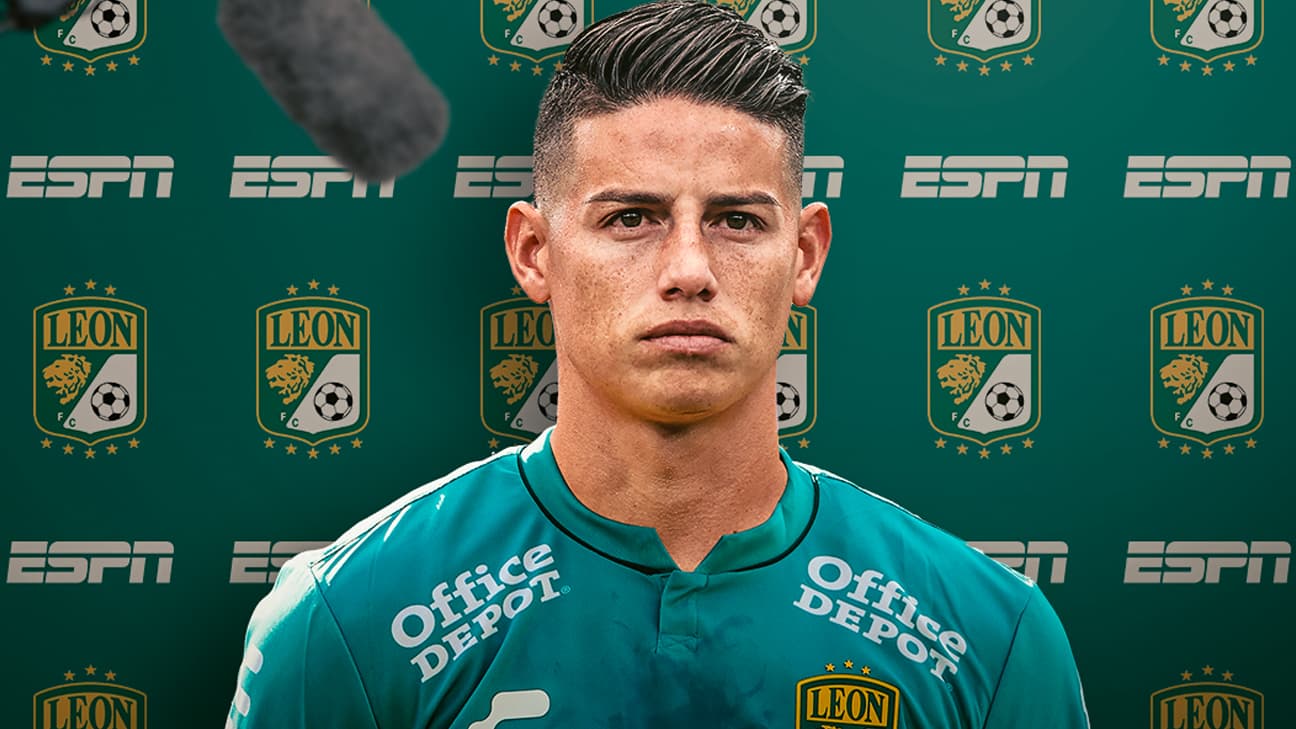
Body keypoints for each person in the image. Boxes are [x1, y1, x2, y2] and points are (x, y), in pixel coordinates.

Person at [225, 2, 1090, 727]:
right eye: (631, 218)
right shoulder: (352, 617)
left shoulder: (987, 637)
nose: (688, 269)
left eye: (737, 220)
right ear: (533, 252)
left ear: (805, 254)